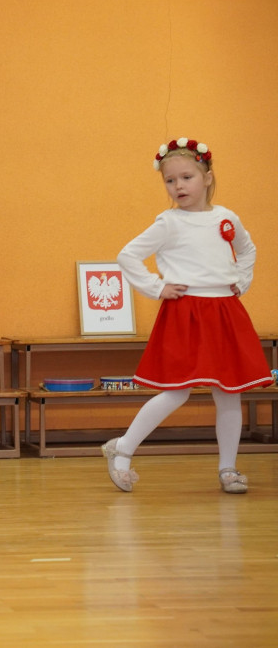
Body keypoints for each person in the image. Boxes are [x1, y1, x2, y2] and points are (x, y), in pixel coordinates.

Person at [103, 137, 272, 494]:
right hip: (186, 314)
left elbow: (247, 249)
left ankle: (228, 468)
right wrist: (155, 286)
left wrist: (240, 280)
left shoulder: (227, 218)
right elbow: (127, 255)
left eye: (186, 177)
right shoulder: (169, 223)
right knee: (175, 392)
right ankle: (122, 449)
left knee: (228, 393)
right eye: (170, 180)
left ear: (207, 177)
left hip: (225, 312)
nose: (178, 186)